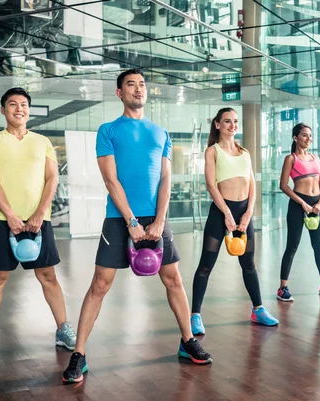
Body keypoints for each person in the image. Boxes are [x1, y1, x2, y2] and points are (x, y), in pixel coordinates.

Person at [62, 68, 212, 384]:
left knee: (173, 278)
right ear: (120, 93)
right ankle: (79, 354)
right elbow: (110, 178)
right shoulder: (108, 130)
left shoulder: (161, 133)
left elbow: (166, 177)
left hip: (155, 217)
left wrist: (159, 220)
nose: (138, 89)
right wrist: (131, 220)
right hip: (119, 217)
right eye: (131, 84)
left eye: (142, 84)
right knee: (100, 284)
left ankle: (188, 341)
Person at [0, 87, 76, 362]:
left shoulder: (42, 142)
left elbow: (52, 178)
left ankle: (63, 329)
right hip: (2, 221)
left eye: (23, 104)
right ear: (3, 110)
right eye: (12, 104)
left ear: (28, 110)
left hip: (37, 223)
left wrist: (40, 213)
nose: (19, 108)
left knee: (48, 276)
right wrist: (9, 214)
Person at [190, 108, 279, 336]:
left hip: (243, 213)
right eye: (227, 121)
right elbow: (211, 185)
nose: (233, 125)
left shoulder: (245, 152)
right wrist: (227, 214)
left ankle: (258, 310)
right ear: (217, 125)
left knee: (248, 264)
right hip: (221, 212)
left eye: (236, 121)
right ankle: (195, 315)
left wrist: (249, 212)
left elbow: (252, 184)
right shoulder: (213, 151)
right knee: (206, 265)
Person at [276, 123, 320, 302]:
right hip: (298, 204)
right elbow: (283, 185)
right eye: (304, 135)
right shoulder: (291, 159)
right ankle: (282, 288)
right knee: (292, 246)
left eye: (310, 136)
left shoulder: (316, 158)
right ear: (296, 137)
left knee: (318, 246)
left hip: (316, 206)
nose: (308, 139)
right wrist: (302, 203)